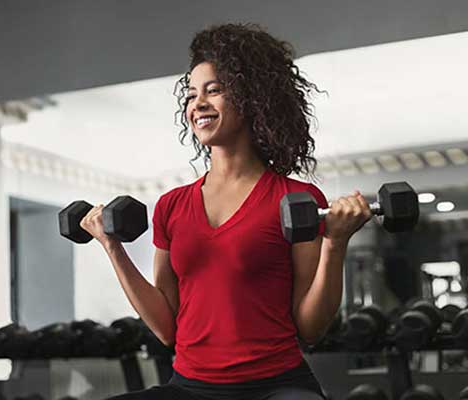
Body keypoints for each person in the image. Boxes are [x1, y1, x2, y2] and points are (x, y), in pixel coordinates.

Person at [80, 23, 372, 400]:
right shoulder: (172, 205)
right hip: (191, 387)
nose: (197, 104)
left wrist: (335, 244)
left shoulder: (296, 199)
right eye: (191, 94)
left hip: (276, 386)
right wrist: (112, 247)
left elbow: (311, 328)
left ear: (252, 98)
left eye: (214, 90)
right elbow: (167, 327)